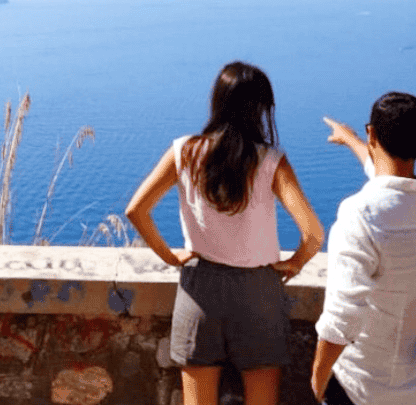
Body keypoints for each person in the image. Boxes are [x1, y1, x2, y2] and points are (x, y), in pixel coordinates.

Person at [126, 61, 324, 405]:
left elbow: (136, 210)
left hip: (200, 287)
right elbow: (314, 234)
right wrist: (295, 262)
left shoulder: (184, 150)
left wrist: (169, 256)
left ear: (216, 101)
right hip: (258, 290)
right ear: (261, 108)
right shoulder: (271, 160)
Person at [313, 93, 416, 405]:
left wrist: (316, 381)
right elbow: (389, 180)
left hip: (360, 386)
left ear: (372, 133)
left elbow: (341, 318)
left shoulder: (358, 215)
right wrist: (351, 140)